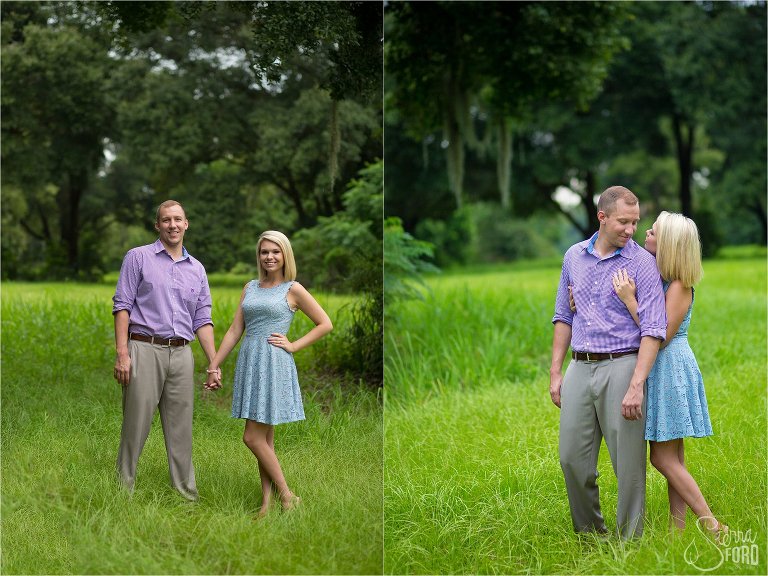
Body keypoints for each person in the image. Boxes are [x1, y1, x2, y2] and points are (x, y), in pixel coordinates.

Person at [550, 185, 667, 539]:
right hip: (579, 366)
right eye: (623, 222)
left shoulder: (642, 264)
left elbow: (653, 329)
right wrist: (555, 371)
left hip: (623, 365)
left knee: (628, 466)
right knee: (571, 459)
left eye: (635, 222)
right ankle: (591, 536)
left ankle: (630, 543)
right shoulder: (573, 257)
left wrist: (636, 384)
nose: (631, 230)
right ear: (602, 217)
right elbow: (563, 316)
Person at [611, 211, 727, 541]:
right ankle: (677, 532)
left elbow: (659, 336)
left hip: (670, 369)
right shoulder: (663, 278)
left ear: (670, 244)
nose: (646, 231)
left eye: (654, 231)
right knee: (674, 458)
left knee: (662, 458)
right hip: (663, 368)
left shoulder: (679, 286)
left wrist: (629, 300)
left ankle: (712, 525)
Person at [205, 230, 332, 517]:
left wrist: (294, 345)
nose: (269, 257)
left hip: (274, 362)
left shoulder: (293, 289)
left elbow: (325, 323)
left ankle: (287, 496)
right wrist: (214, 365)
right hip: (251, 361)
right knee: (265, 440)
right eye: (264, 252)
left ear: (285, 255)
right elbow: (235, 330)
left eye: (275, 251)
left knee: (252, 438)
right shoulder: (250, 287)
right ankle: (267, 503)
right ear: (259, 256)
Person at [112, 200, 217, 501]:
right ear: (157, 225)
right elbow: (122, 306)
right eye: (166, 220)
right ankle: (122, 491)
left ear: (186, 224)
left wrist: (214, 362)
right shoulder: (138, 257)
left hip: (182, 354)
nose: (173, 225)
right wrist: (122, 353)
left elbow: (202, 320)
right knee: (136, 425)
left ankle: (186, 495)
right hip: (144, 349)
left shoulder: (197, 269)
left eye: (178, 219)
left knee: (181, 429)